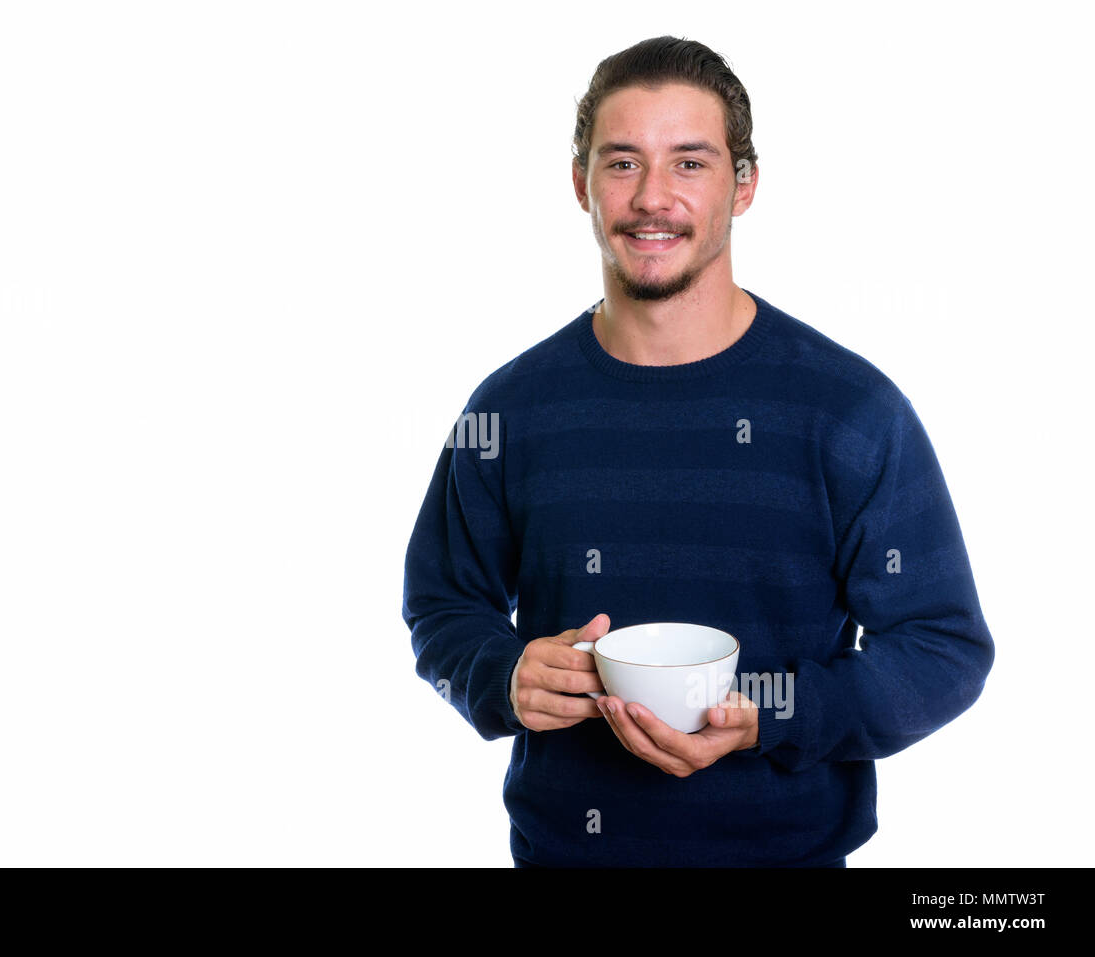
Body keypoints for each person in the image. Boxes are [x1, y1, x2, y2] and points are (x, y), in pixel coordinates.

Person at [401, 36, 993, 867]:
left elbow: (944, 646)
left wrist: (772, 711)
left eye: (689, 163)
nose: (652, 199)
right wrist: (504, 674)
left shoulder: (850, 410)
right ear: (580, 184)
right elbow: (440, 607)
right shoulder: (506, 410)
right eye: (621, 164)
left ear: (742, 186)